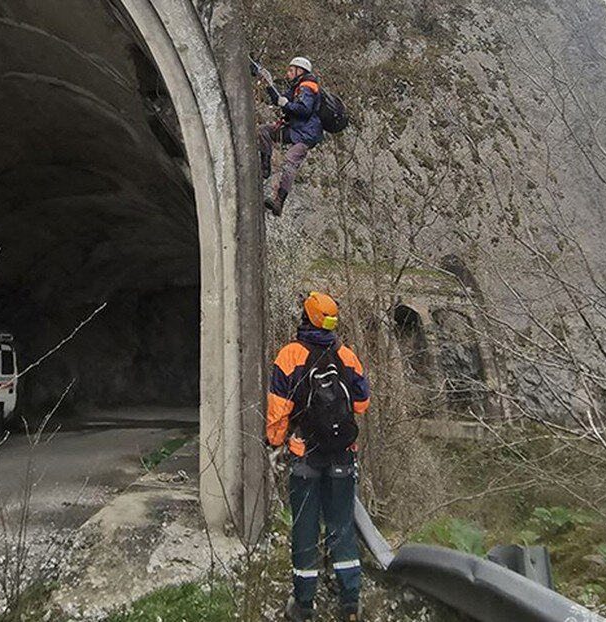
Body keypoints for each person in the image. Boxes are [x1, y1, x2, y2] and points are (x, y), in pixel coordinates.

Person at [267, 292, 370, 622]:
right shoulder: (348, 357)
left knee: (305, 528)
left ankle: (304, 604)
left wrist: (276, 441)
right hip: (342, 455)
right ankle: (350, 602)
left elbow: (277, 414)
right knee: (341, 525)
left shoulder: (289, 356)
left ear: (307, 317)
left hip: (305, 456)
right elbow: (361, 404)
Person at [258, 57, 324, 217]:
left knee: (289, 161)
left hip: (306, 135)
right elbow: (280, 98)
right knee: (264, 131)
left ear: (299, 71)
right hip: (295, 130)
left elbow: (304, 109)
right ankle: (265, 167)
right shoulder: (297, 87)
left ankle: (279, 201)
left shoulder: (307, 87)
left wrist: (286, 104)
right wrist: (268, 84)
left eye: (290, 70)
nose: (288, 74)